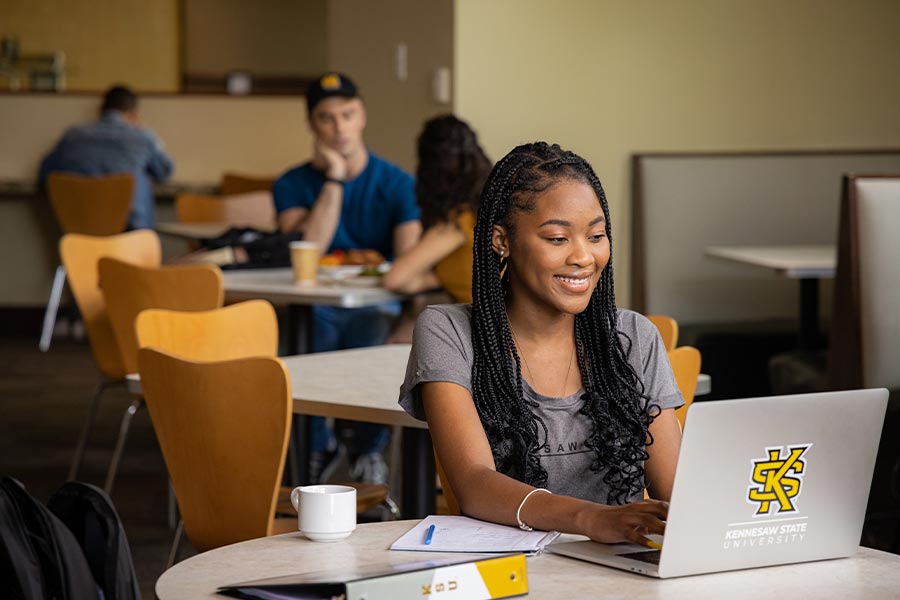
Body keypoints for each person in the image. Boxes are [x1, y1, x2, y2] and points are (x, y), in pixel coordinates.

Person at [399, 142, 684, 547]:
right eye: (557, 238)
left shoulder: (633, 338)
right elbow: (475, 484)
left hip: (619, 571)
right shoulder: (448, 332)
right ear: (502, 240)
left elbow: (677, 493)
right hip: (508, 569)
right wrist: (593, 519)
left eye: (597, 235)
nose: (584, 256)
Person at [273, 72, 421, 484]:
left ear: (362, 117)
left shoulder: (397, 183)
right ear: (311, 125)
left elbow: (409, 264)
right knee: (305, 332)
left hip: (378, 304)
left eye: (347, 115)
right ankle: (316, 447)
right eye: (326, 118)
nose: (338, 127)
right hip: (315, 304)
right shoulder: (292, 183)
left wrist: (409, 319)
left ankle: (364, 449)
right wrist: (334, 178)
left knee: (373, 327)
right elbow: (308, 249)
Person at [382, 114, 492, 304]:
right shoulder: (483, 210)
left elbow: (395, 279)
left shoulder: (457, 221)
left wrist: (432, 278)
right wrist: (439, 278)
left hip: (483, 328)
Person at [38, 85, 173, 229]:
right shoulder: (142, 137)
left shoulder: (73, 135)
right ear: (133, 114)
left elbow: (45, 175)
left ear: (101, 109)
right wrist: (146, 133)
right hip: (130, 228)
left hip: (79, 225)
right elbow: (164, 172)